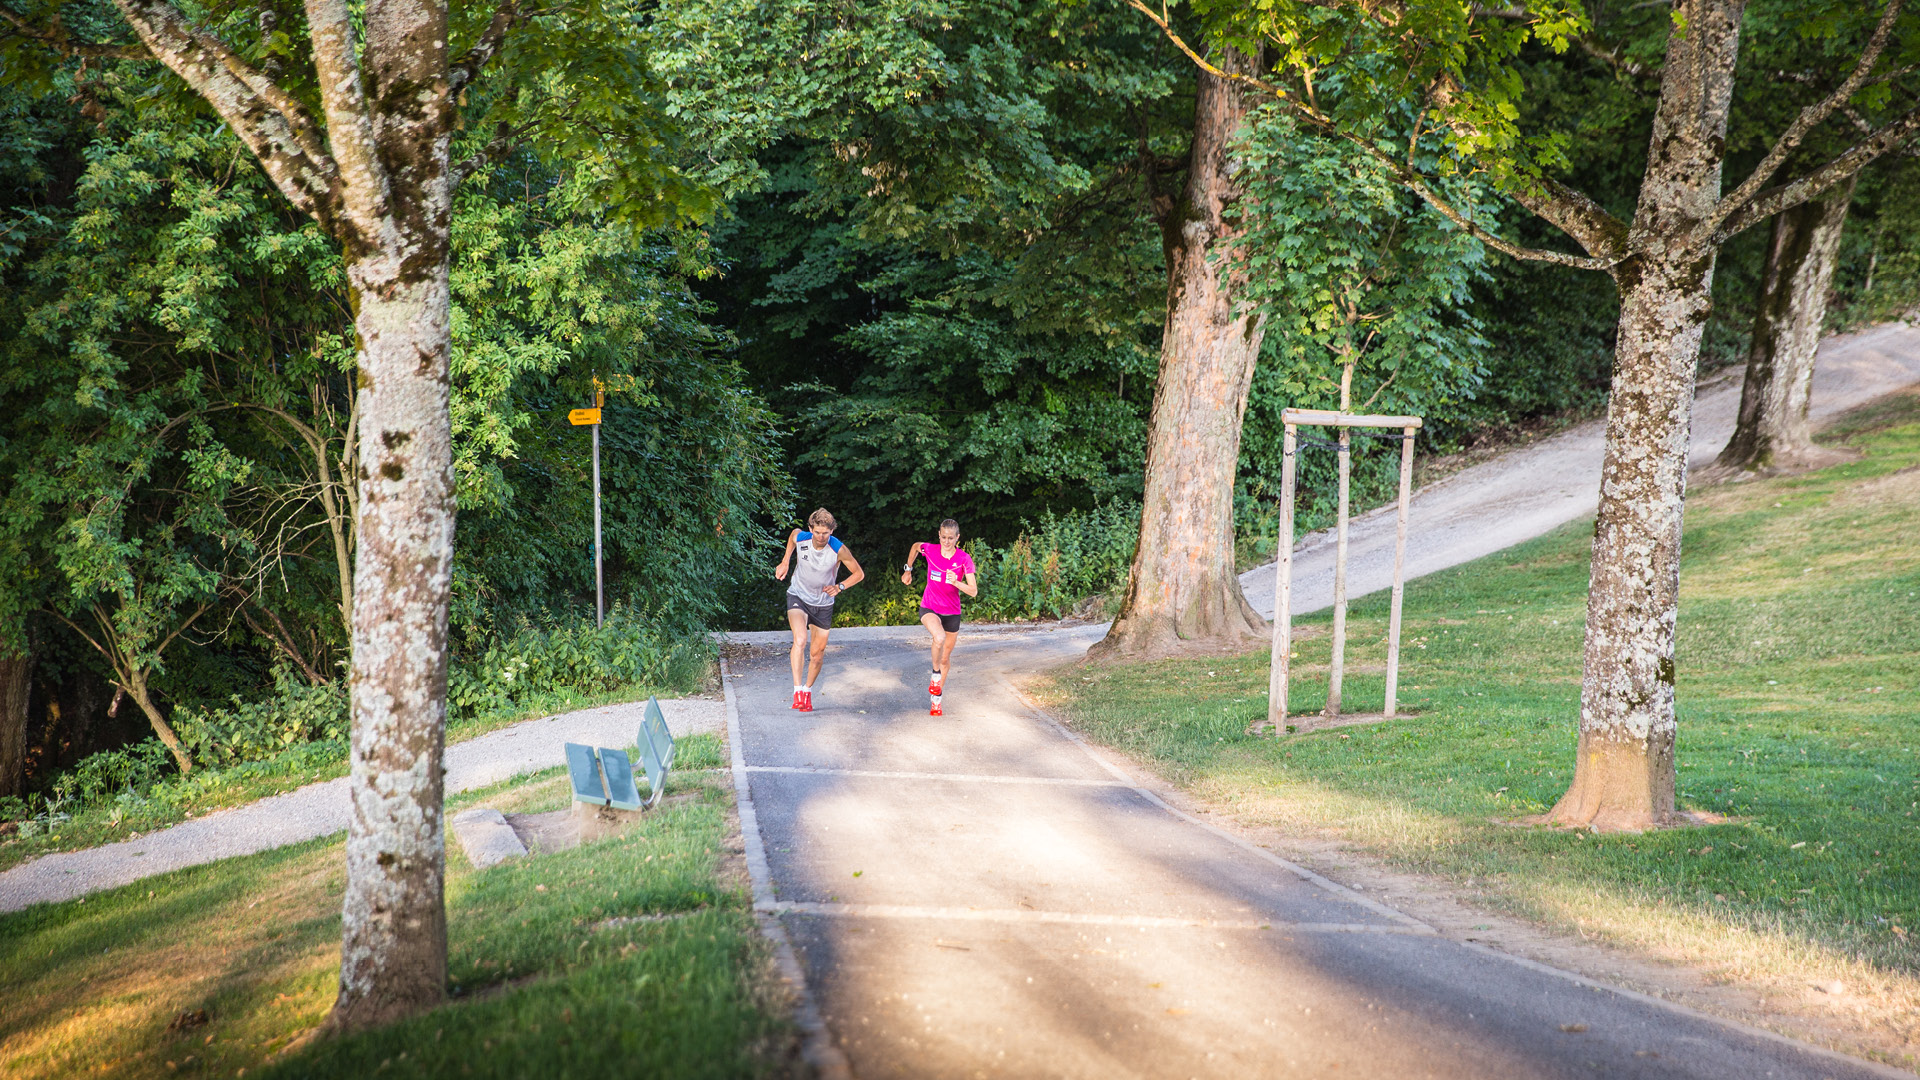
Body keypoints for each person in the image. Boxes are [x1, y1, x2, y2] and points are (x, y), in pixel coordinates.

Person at [774, 509, 864, 712]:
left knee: (817, 653)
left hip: (823, 603)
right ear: (811, 529)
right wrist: (786, 560)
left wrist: (840, 587)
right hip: (798, 595)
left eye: (826, 533)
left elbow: (859, 573)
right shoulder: (802, 538)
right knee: (800, 639)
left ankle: (807, 690)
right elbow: (792, 534)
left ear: (832, 530)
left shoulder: (838, 549)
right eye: (817, 532)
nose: (821, 537)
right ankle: (797, 690)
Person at [901, 518, 977, 716]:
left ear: (957, 538)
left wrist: (957, 582)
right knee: (939, 637)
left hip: (952, 612)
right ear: (939, 535)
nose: (946, 541)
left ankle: (936, 700)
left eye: (951, 538)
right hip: (930, 607)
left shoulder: (963, 559)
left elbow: (973, 591)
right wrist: (908, 569)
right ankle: (935, 675)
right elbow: (915, 547)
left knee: (945, 658)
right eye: (943, 537)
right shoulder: (931, 550)